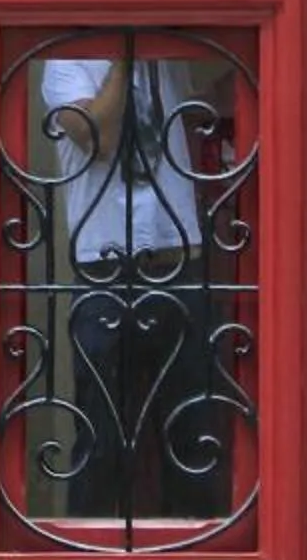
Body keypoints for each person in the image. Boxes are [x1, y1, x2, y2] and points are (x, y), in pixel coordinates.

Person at [34, 48, 239, 532]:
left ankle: (197, 553)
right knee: (102, 432)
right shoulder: (66, 65)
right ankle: (89, 559)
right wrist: (127, 57)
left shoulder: (168, 60)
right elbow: (98, 138)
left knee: (193, 427)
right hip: (106, 268)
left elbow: (225, 69)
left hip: (178, 260)